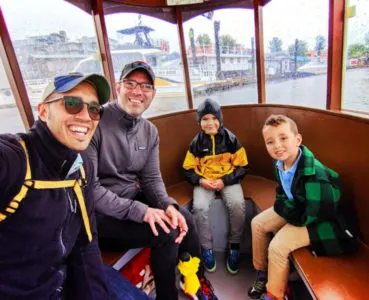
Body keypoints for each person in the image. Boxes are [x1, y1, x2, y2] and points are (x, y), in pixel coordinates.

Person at [86, 61, 218, 300]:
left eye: (146, 86)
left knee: (183, 217)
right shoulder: (95, 123)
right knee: (165, 232)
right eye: (131, 83)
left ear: (153, 94)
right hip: (101, 216)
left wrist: (167, 205)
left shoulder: (149, 131)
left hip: (132, 199)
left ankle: (195, 279)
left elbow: (152, 179)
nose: (138, 92)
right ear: (118, 86)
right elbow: (91, 190)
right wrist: (141, 211)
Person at [0, 73, 112, 299]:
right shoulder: (16, 160)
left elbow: (85, 245)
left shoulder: (83, 168)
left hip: (61, 281)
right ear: (43, 111)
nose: (85, 117)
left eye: (94, 109)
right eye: (72, 104)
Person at [247, 114, 357, 300]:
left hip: (320, 220)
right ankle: (262, 273)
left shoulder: (314, 173)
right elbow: (282, 192)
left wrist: (287, 215)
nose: (277, 146)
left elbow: (317, 212)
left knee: (277, 247)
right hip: (297, 208)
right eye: (270, 142)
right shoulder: (280, 163)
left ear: (298, 140)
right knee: (257, 224)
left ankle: (275, 294)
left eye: (283, 138)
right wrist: (286, 209)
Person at [182, 98, 248, 275]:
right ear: (199, 122)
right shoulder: (196, 143)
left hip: (228, 179)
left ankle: (234, 247)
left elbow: (242, 167)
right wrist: (201, 180)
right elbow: (187, 170)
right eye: (205, 119)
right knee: (199, 207)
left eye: (214, 118)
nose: (210, 123)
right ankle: (206, 249)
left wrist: (225, 181)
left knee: (237, 205)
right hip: (205, 180)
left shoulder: (231, 139)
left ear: (220, 119)